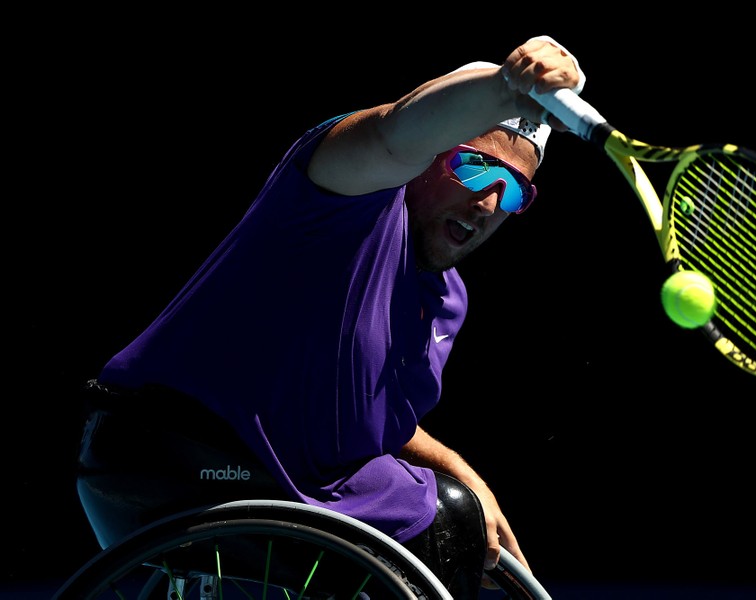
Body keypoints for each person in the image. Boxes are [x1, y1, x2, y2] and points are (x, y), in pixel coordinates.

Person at [74, 36, 585, 598]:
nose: (488, 202)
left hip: (253, 469)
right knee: (447, 521)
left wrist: (467, 473)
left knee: (452, 500)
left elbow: (381, 423)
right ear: (431, 153)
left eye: (513, 188)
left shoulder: (446, 299)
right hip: (171, 449)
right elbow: (395, 132)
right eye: (473, 166)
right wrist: (501, 86)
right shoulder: (343, 197)